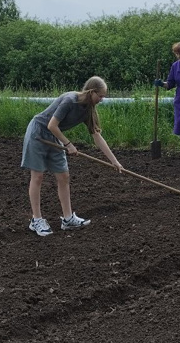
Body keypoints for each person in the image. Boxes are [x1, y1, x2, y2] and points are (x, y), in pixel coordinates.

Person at [21, 76, 123, 237]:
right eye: (101, 96)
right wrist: (68, 144)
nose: (102, 100)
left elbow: (96, 136)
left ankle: (68, 219)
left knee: (64, 175)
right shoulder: (70, 100)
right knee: (38, 176)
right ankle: (36, 220)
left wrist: (115, 161)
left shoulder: (88, 110)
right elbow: (51, 125)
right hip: (38, 133)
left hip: (54, 136)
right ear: (91, 91)